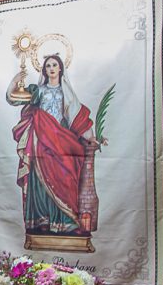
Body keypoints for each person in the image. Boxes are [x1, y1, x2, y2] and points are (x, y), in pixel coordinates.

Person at [7, 54, 103, 236]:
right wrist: (15, 81)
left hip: (60, 140)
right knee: (39, 181)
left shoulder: (66, 92)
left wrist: (91, 137)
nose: (51, 68)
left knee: (64, 177)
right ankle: (41, 219)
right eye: (48, 65)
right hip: (40, 142)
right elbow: (14, 99)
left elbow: (77, 118)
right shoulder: (39, 91)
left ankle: (62, 221)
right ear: (44, 70)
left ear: (60, 68)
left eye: (54, 65)